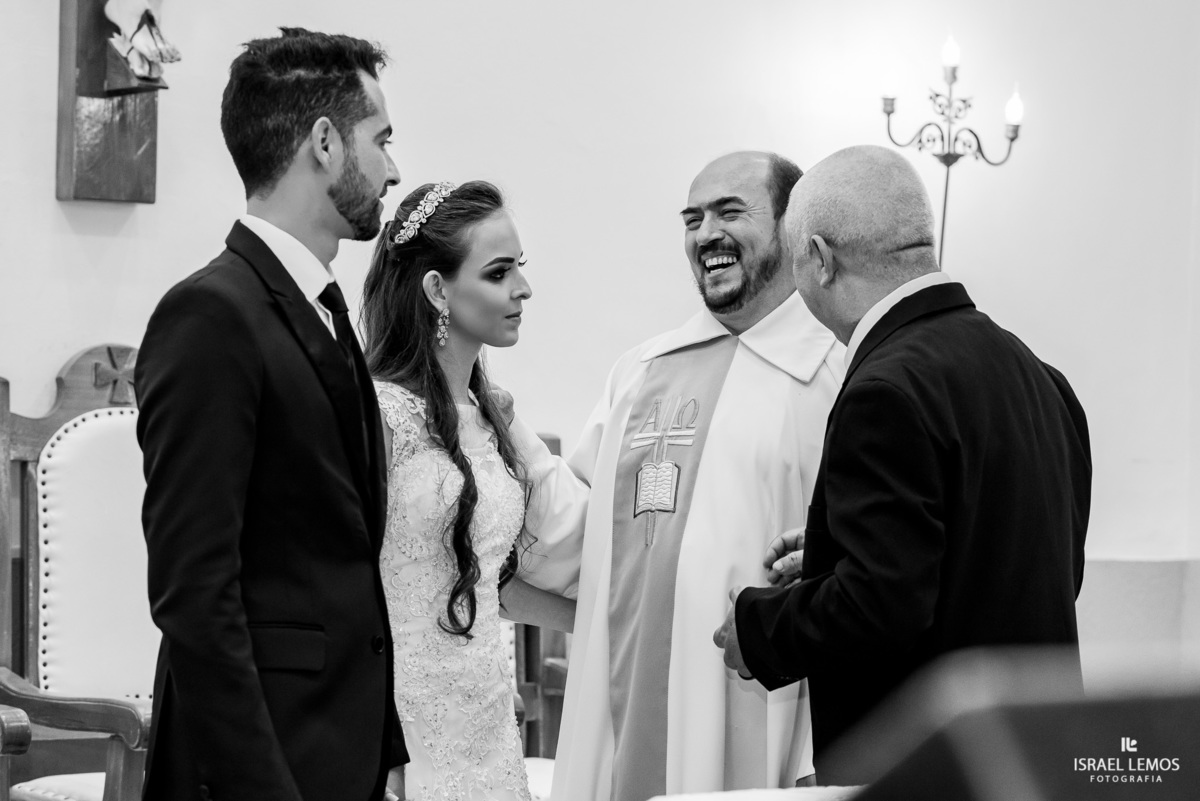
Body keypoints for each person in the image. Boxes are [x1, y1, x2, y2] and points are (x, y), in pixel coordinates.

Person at [714, 144, 1092, 783]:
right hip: (1030, 756)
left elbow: (881, 608)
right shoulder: (1038, 375)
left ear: (820, 260)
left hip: (930, 767)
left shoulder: (885, 389)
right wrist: (840, 550)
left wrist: (759, 629)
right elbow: (1033, 564)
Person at [136, 29, 406, 801]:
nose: (394, 167)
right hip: (256, 769)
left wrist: (380, 750)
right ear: (324, 142)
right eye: (380, 139)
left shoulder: (322, 308)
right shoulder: (210, 315)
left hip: (339, 752)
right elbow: (195, 590)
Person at [542, 151, 845, 801]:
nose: (706, 233)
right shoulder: (641, 370)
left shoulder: (835, 373)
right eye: (692, 218)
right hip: (627, 692)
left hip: (769, 703)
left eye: (730, 211)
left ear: (792, 227)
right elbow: (580, 532)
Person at [360, 180, 587, 801]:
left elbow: (483, 576)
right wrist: (374, 739)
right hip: (402, 718)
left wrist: (600, 620)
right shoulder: (378, 416)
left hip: (488, 711)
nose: (523, 288)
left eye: (521, 268)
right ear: (438, 289)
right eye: (498, 272)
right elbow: (347, 589)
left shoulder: (493, 417)